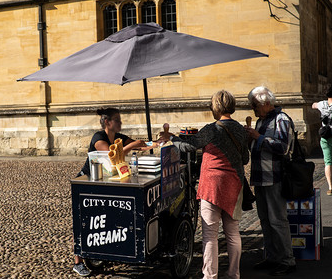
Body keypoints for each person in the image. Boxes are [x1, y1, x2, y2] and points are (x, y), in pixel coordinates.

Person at [160, 90, 249, 279]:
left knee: (210, 234)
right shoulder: (241, 129)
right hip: (234, 185)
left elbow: (188, 146)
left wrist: (171, 137)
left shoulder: (212, 129)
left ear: (215, 107)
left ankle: (210, 276)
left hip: (212, 187)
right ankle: (234, 274)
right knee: (233, 233)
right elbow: (245, 159)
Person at [73, 107, 151, 276]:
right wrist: (133, 145)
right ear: (107, 122)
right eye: (117, 120)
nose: (120, 122)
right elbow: (111, 155)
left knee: (106, 217)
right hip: (87, 181)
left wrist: (158, 142)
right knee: (83, 220)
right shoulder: (98, 138)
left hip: (106, 180)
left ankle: (105, 251)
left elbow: (141, 145)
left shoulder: (119, 138)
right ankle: (78, 262)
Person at [244, 86, 296, 276]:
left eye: (255, 105)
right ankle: (272, 257)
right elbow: (256, 149)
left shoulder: (282, 120)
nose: (253, 108)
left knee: (277, 220)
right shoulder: (261, 121)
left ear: (267, 103)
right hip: (260, 177)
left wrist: (258, 137)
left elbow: (283, 148)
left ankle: (287, 260)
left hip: (274, 177)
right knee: (265, 220)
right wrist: (250, 137)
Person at [312, 86, 332, 196]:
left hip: (325, 137)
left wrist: (317, 105)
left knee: (328, 162)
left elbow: (313, 105)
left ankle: (330, 186)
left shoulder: (322, 104)